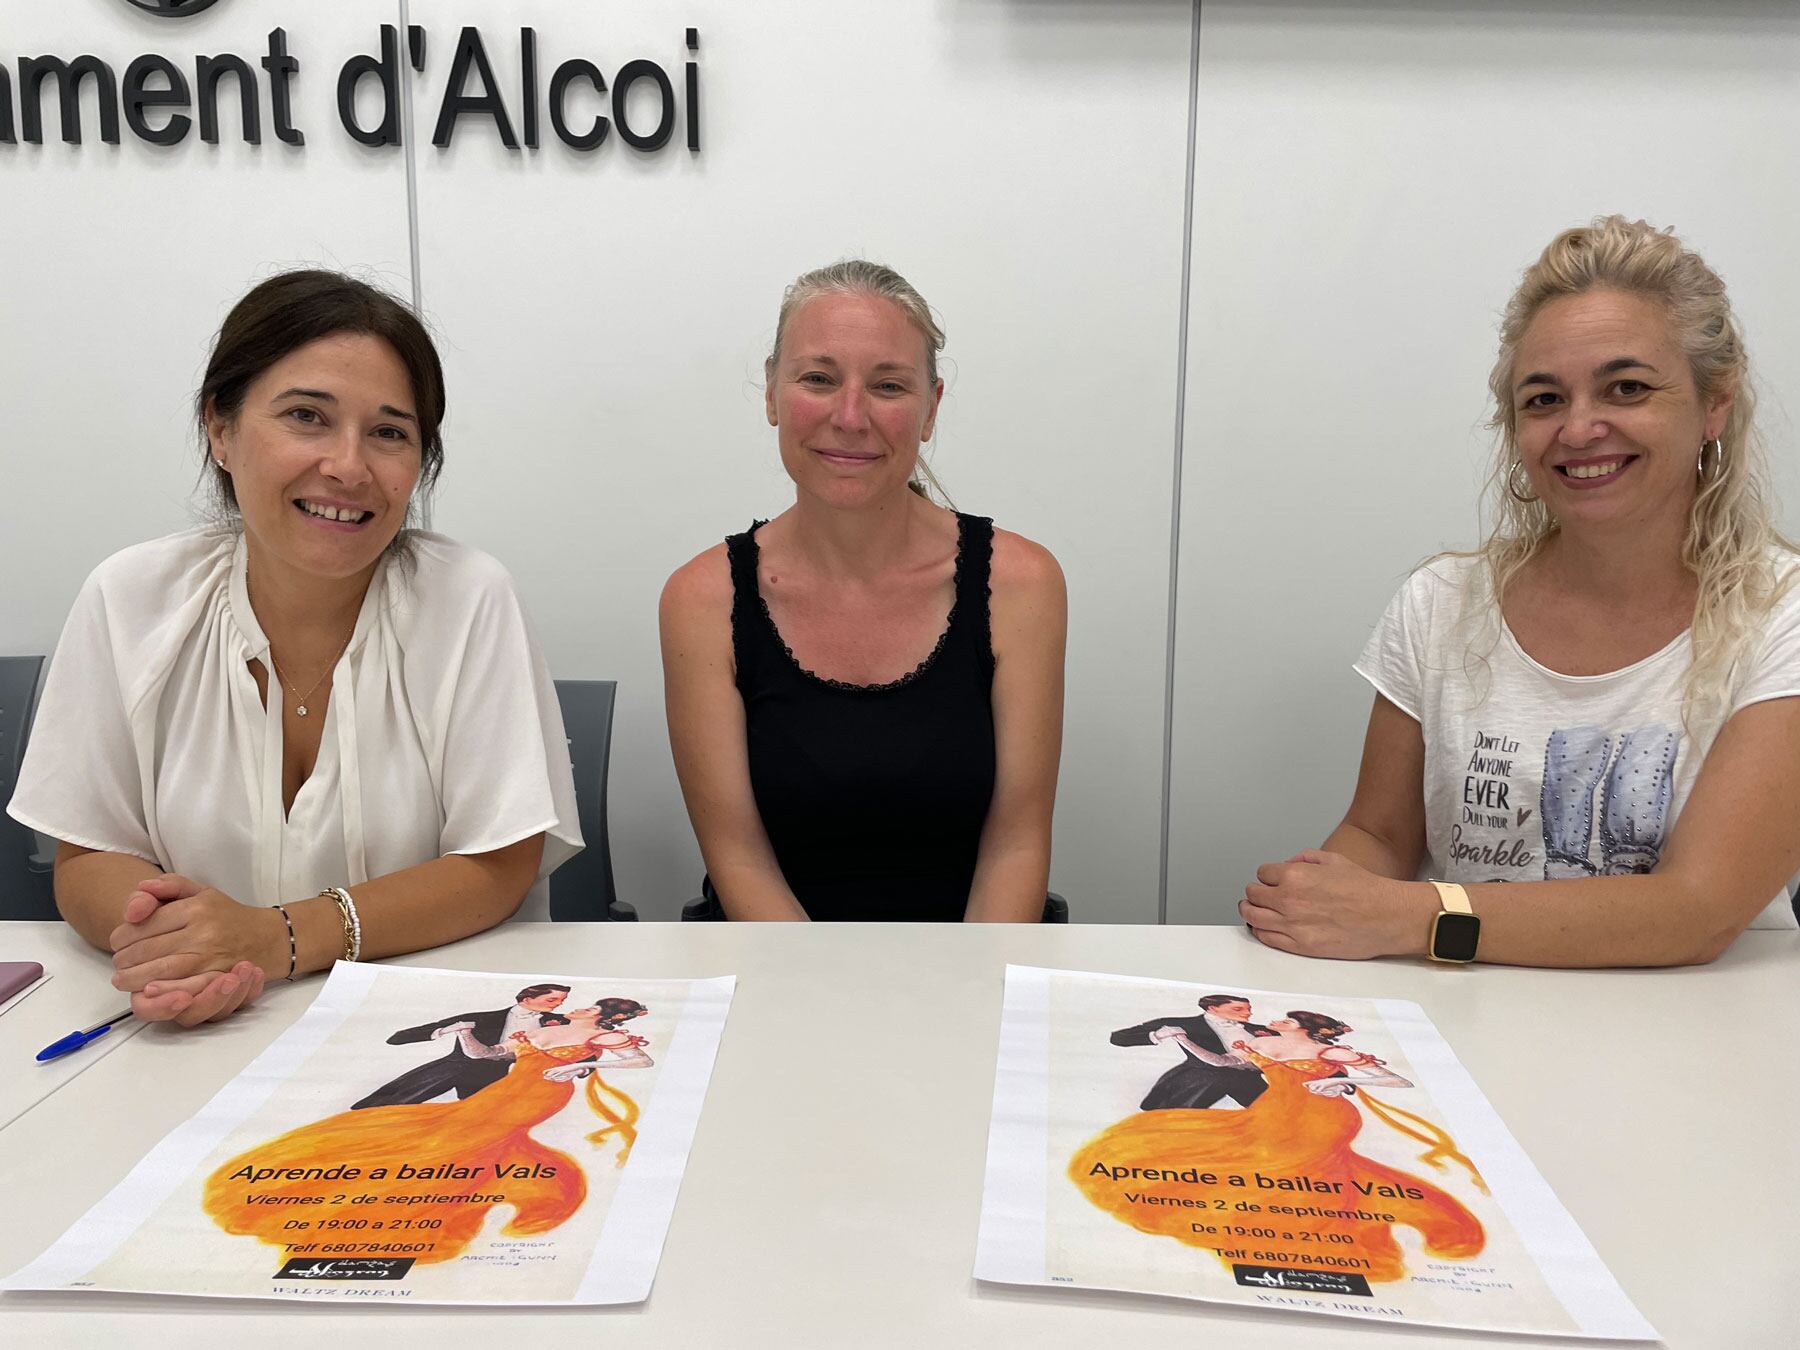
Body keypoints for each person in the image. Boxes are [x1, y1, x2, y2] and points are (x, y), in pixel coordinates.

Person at [6, 269, 581, 1026]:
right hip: (202, 1029)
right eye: (307, 416)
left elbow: (498, 865)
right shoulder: (129, 598)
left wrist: (272, 938)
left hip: (431, 1020)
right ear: (220, 427)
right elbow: (88, 856)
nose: (348, 466)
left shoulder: (470, 598)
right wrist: (176, 953)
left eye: (388, 432)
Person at [1245, 216, 1800, 967]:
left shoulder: (1781, 614)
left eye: (1626, 387)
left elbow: (1695, 911)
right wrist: (1313, 903)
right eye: (1543, 400)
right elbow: (1380, 837)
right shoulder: (1440, 602)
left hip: (1706, 1048)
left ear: (1715, 405)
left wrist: (1417, 918)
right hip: (1466, 1030)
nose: (1578, 429)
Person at [659, 260, 1067, 921]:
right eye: (818, 379)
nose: (850, 416)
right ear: (771, 392)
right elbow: (738, 857)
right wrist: (828, 1014)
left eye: (888, 385)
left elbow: (1016, 843)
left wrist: (965, 1000)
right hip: (778, 974)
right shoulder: (702, 600)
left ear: (930, 408)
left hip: (971, 969)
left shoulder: (1020, 585)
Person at [203, 996, 653, 1265]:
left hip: (540, 1096)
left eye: (586, 1004)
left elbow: (641, 1061)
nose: (573, 1005)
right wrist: (461, 1035)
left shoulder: (602, 1038)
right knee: (449, 1134)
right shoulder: (539, 1031)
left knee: (464, 1143)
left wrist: (582, 1064)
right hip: (503, 1093)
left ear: (601, 1014)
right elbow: (485, 1057)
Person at [350, 982, 574, 1109]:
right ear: (525, 999)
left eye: (561, 1001)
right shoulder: (481, 1018)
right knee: (392, 1103)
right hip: (455, 1066)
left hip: (499, 1076)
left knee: (479, 1119)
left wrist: (581, 1067)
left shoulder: (564, 1021)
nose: (558, 1005)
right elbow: (399, 1036)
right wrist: (442, 1031)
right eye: (552, 1000)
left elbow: (585, 1039)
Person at [1108, 993, 1273, 1110]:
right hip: (1202, 1079)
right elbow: (1118, 1038)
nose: (1248, 1013)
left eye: (1248, 1009)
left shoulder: (1260, 1029)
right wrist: (1157, 1035)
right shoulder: (1183, 1024)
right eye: (1238, 1009)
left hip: (1250, 1081)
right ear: (1213, 1008)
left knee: (1279, 1119)